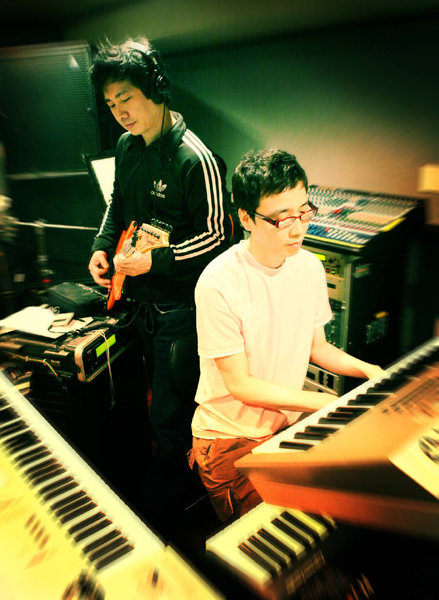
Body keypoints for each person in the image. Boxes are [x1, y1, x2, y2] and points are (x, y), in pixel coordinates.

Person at [189, 148, 384, 522]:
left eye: (303, 212)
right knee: (278, 535)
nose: (297, 229)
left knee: (348, 509)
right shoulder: (217, 283)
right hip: (230, 440)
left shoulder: (308, 267)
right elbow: (242, 386)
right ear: (246, 217)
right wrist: (325, 403)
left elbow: (318, 348)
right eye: (281, 219)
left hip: (286, 426)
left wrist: (369, 370)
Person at [88, 37, 233, 524]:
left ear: (155, 88)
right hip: (137, 306)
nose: (119, 113)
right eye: (111, 104)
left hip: (180, 314)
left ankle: (170, 519)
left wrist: (157, 262)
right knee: (138, 408)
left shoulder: (197, 158)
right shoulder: (126, 147)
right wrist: (101, 247)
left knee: (169, 419)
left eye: (126, 98)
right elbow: (118, 204)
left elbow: (219, 237)